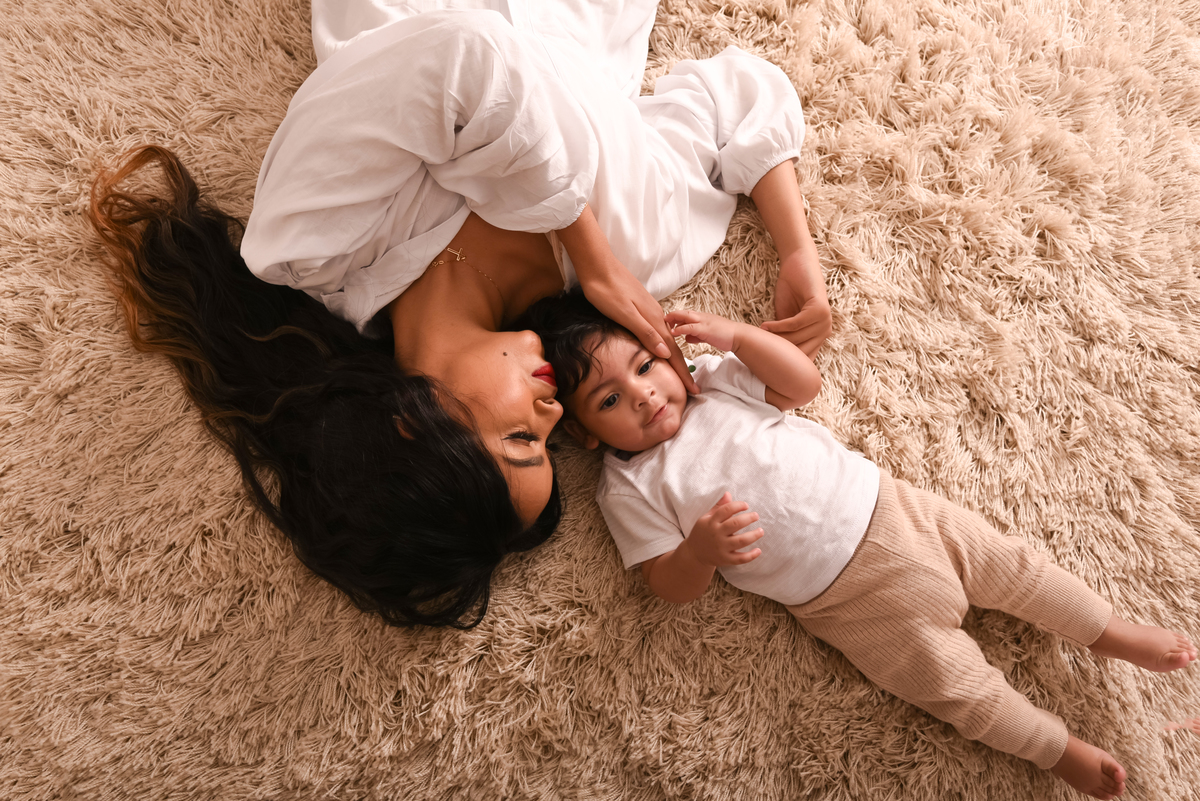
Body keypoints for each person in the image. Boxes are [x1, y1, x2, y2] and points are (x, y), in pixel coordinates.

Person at [87, 0, 830, 627]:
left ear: (413, 422)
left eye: (519, 436)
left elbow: (458, 60)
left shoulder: (312, 250)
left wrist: (586, 246)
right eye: (550, 440)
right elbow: (733, 97)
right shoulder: (648, 256)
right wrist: (797, 249)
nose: (551, 411)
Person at [516, 290, 1197, 800]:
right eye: (608, 400)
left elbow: (801, 383)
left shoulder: (715, 381)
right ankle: (1056, 748)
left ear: (666, 351)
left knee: (1020, 569)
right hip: (845, 600)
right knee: (954, 686)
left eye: (644, 365)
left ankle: (1109, 631)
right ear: (586, 434)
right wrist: (697, 551)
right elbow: (664, 582)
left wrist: (739, 335)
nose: (642, 395)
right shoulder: (628, 486)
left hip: (896, 510)